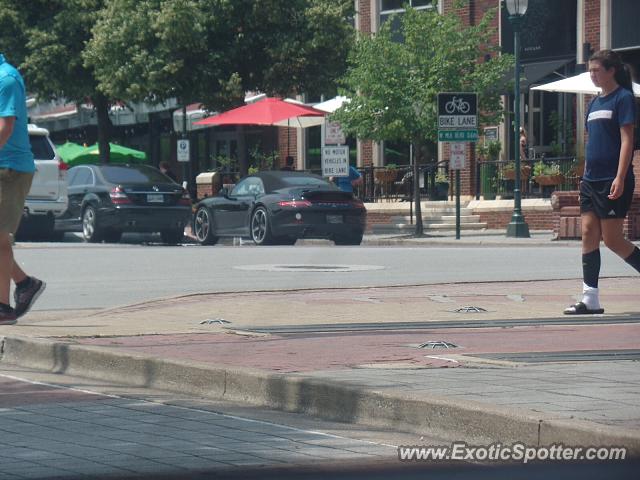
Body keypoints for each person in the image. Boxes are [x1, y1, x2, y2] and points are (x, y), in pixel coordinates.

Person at [564, 49, 640, 315]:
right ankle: (590, 298)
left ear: (611, 71)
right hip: (591, 180)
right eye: (590, 70)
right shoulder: (593, 103)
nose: (592, 75)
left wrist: (620, 176)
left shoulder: (624, 99)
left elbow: (627, 141)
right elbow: (592, 142)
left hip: (612, 179)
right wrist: (584, 175)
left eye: (596, 70)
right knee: (588, 234)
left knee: (614, 240)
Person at [0, 53, 46, 325]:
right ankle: (25, 283)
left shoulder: (6, 79)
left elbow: (5, 127)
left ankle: (3, 308)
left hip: (10, 170)